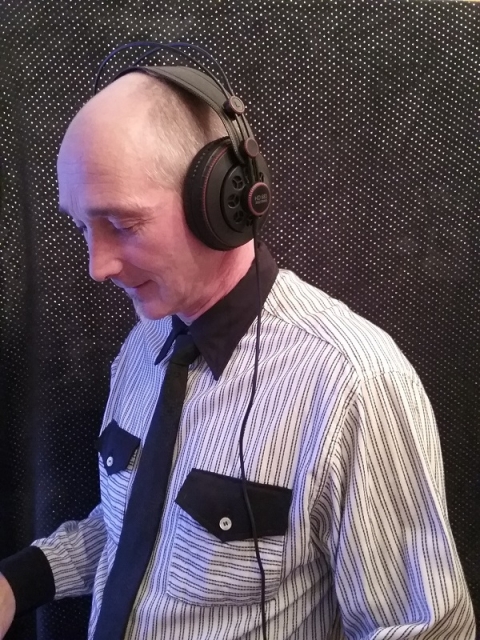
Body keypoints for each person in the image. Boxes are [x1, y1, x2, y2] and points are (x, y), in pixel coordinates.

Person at [0, 66, 475, 640]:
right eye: (82, 227)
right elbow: (139, 529)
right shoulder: (143, 343)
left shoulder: (354, 384)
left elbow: (428, 629)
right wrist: (17, 583)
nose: (97, 267)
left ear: (221, 202)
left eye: (122, 224)